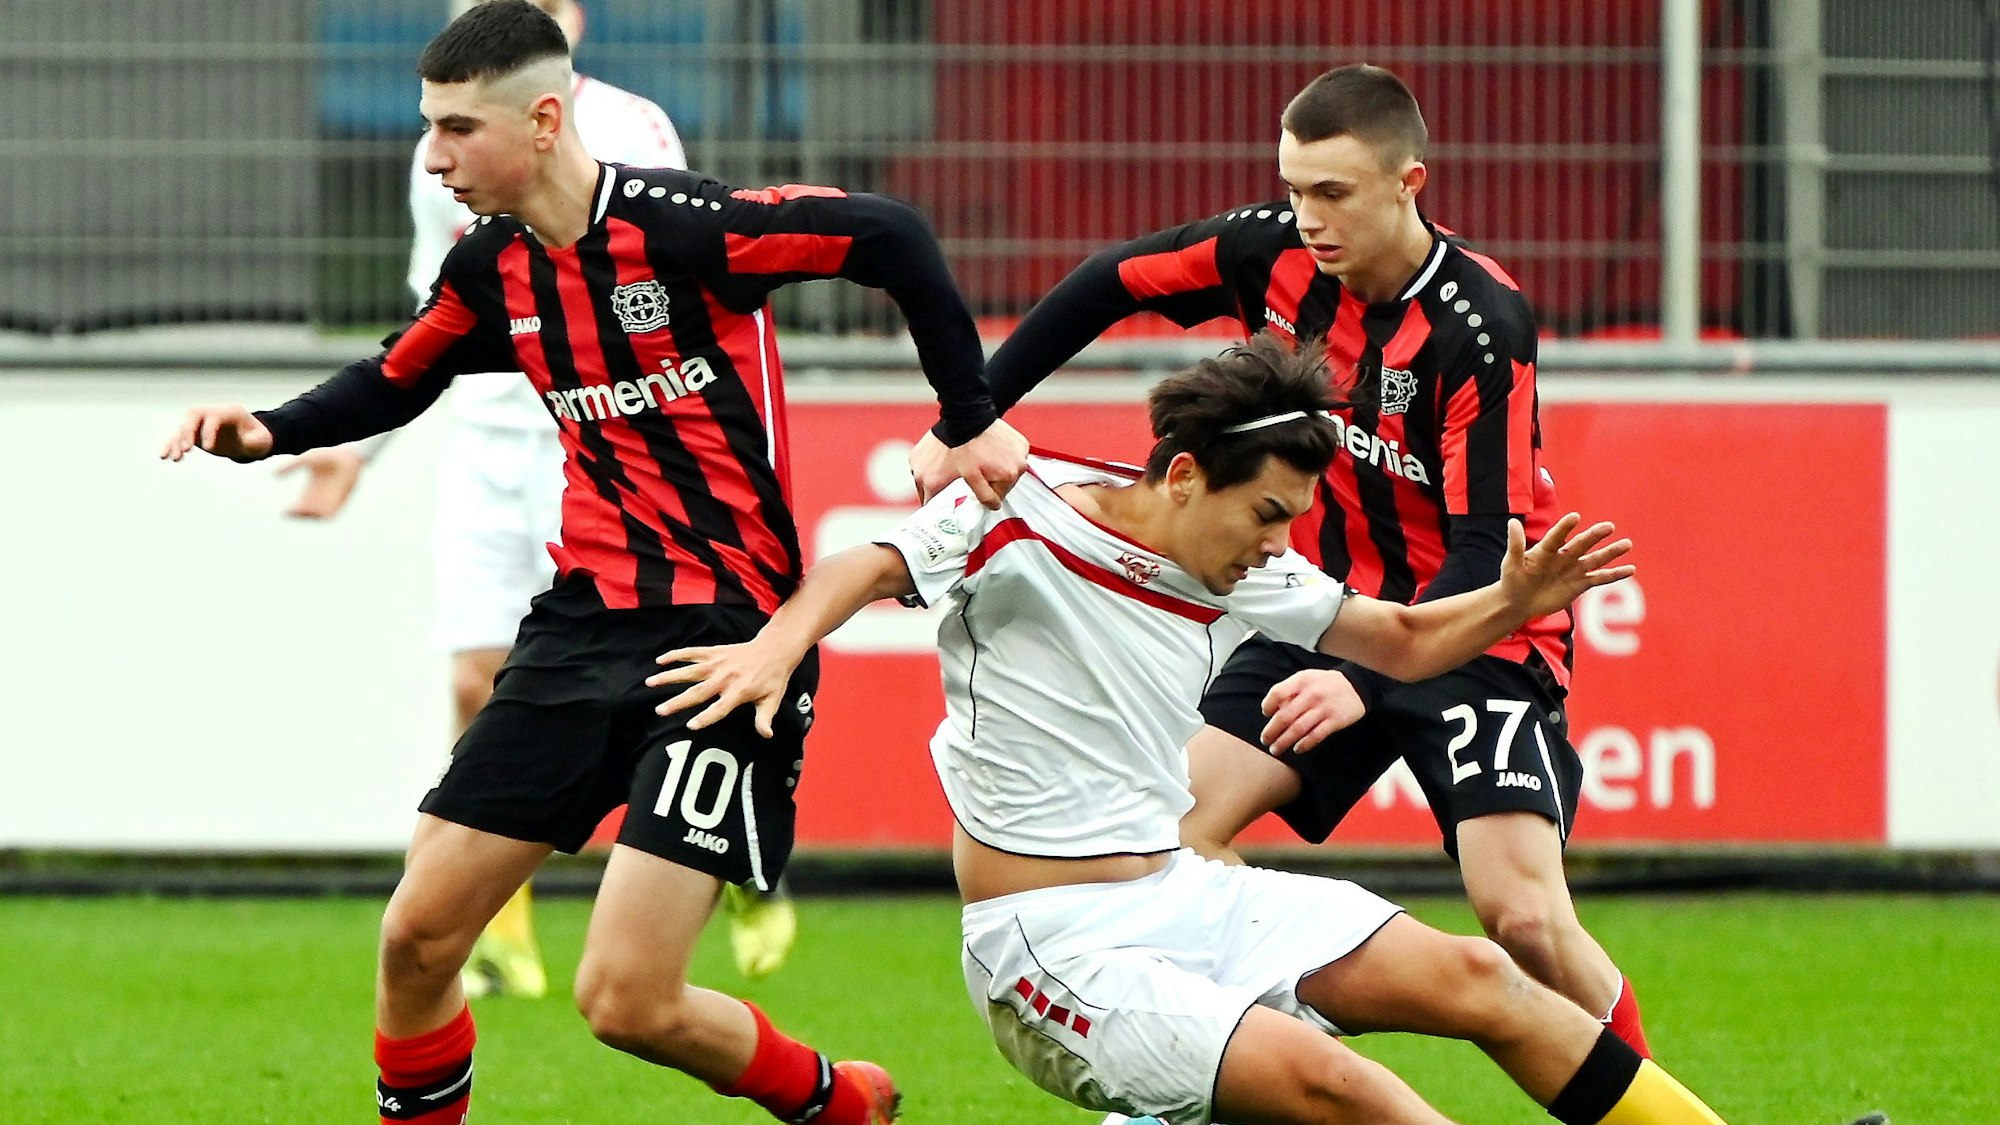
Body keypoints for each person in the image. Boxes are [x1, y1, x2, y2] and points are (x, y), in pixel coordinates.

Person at [161, 3, 1025, 1123]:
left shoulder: (689, 230)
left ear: (543, 120)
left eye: (458, 129)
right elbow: (394, 377)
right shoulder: (491, 270)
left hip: (725, 642)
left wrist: (965, 415)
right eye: (429, 128)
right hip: (579, 629)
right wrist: (269, 430)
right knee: (417, 938)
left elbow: (892, 236)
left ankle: (835, 1102)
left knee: (623, 1000)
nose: (433, 156)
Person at [645, 333, 1756, 1125]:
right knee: (1345, 1092)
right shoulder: (1013, 514)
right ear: (1182, 476)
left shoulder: (1244, 567)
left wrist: (1512, 603)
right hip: (1051, 944)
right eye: (1266, 512)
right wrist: (777, 645)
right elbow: (863, 565)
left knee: (1480, 978)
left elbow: (1404, 642)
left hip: (1187, 896)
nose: (1278, 543)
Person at [909, 62, 1655, 1057]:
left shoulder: (1479, 325)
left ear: (1408, 184)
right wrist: (969, 414)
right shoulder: (1269, 255)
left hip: (1477, 626)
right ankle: (1243, 1077)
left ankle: (1658, 1110)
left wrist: (1366, 678)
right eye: (1295, 189)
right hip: (1331, 611)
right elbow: (1107, 283)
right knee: (1175, 837)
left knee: (1520, 919)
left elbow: (1484, 548)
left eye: (1332, 194)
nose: (1306, 217)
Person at [282, 0, 796, 998]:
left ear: (571, 24)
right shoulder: (446, 147)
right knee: (477, 676)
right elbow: (430, 317)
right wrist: (360, 449)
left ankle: (730, 854)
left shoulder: (632, 126)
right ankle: (500, 928)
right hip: (484, 434)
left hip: (601, 437)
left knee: (671, 676)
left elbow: (678, 271)